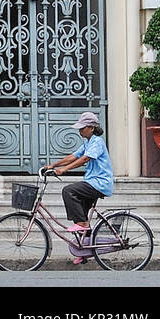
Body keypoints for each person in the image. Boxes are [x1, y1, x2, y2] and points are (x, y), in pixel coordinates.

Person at [43, 111, 113, 265]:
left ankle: (81, 224)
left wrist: (65, 169)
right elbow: (74, 156)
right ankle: (85, 250)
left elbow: (85, 159)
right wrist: (53, 165)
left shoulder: (97, 142)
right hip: (92, 182)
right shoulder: (87, 142)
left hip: (99, 183)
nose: (80, 131)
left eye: (82, 128)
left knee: (69, 191)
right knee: (81, 214)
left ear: (92, 128)